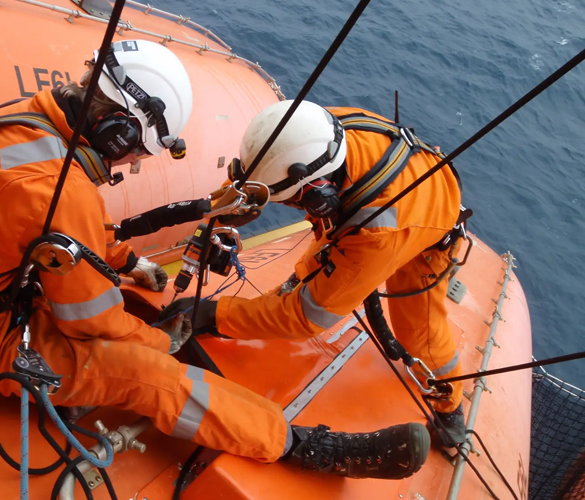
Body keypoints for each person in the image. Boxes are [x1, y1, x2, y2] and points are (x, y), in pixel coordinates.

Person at [0, 40, 429, 479]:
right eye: (137, 152)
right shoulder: (61, 190)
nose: (130, 165)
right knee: (154, 378)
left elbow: (53, 231)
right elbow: (91, 321)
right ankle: (299, 444)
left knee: (131, 315)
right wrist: (162, 342)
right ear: (121, 130)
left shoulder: (26, 125)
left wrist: (128, 266)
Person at [163, 99, 467, 446]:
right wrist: (217, 218)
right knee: (318, 261)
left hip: (422, 230)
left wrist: (214, 314)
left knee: (420, 334)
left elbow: (307, 318)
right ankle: (301, 281)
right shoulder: (313, 133)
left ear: (315, 194)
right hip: (379, 192)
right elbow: (261, 175)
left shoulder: (375, 235)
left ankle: (449, 405)